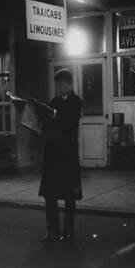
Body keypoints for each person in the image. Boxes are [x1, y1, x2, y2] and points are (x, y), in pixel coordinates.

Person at [29, 68, 83, 244]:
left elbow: (67, 121)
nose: (58, 88)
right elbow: (46, 120)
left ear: (69, 84)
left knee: (69, 197)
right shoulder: (55, 101)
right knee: (50, 195)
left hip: (67, 155)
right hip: (53, 154)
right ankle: (52, 231)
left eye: (61, 85)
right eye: (56, 85)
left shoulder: (76, 102)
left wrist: (49, 111)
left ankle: (68, 232)